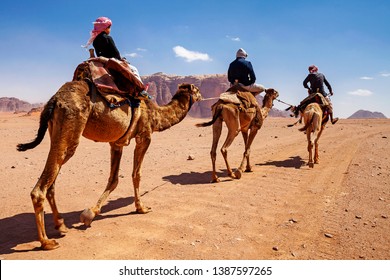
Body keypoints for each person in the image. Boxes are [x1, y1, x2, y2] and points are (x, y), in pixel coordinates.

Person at [82, 16, 150, 99]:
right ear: (105, 28)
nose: (110, 29)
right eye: (109, 27)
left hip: (102, 61)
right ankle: (141, 91)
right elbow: (116, 53)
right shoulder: (108, 38)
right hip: (111, 61)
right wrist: (122, 59)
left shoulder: (95, 41)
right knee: (134, 69)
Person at [227, 48, 267, 127]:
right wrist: (248, 83)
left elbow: (229, 78)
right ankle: (251, 96)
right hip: (245, 86)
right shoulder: (247, 63)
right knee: (262, 88)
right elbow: (253, 78)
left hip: (234, 86)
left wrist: (234, 82)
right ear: (244, 56)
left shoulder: (231, 64)